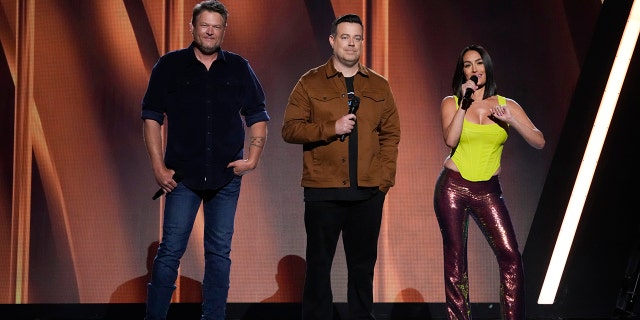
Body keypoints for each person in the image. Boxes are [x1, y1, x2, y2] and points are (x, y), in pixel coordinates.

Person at [140, 1, 269, 319]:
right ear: (192, 27)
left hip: (225, 177)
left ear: (224, 30)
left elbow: (257, 114)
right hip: (182, 176)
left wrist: (252, 159)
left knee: (219, 254)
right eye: (204, 25)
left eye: (217, 26)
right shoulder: (169, 66)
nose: (210, 31)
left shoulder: (239, 67)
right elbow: (152, 116)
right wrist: (158, 167)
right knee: (170, 251)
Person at [281, 13, 400, 320]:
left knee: (363, 268)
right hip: (323, 191)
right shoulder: (309, 82)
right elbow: (290, 129)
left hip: (368, 192)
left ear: (362, 42)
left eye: (357, 38)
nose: (351, 44)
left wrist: (384, 181)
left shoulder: (379, 85)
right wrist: (329, 127)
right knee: (319, 266)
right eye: (345, 37)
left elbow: (391, 134)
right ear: (332, 40)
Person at [433, 44, 545, 320]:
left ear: (488, 68)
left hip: (488, 191)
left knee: (511, 257)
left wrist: (513, 122)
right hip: (453, 187)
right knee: (456, 262)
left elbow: (539, 141)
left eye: (479, 63)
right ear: (463, 72)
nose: (474, 69)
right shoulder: (452, 102)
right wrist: (464, 103)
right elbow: (450, 140)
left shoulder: (507, 105)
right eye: (468, 65)